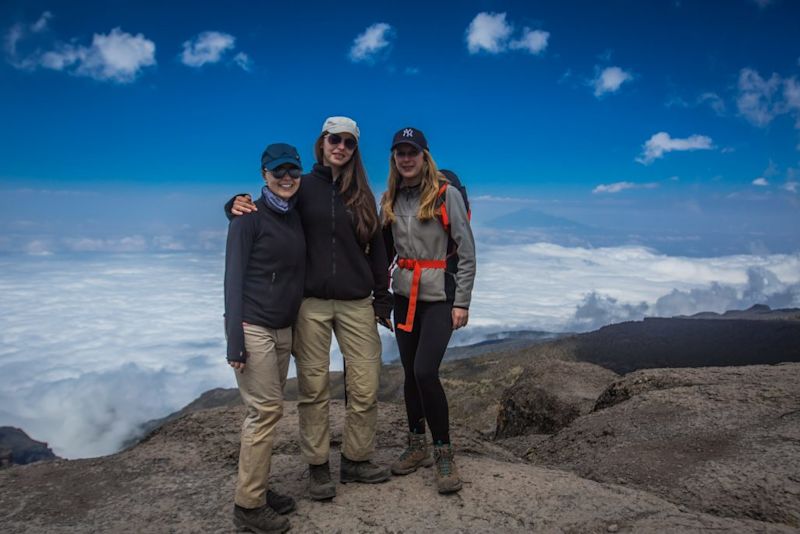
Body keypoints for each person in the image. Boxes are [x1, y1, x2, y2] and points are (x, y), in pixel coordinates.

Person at [228, 117, 393, 501]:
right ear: (322, 143)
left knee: (366, 384)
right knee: (314, 388)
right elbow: (269, 209)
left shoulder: (363, 193)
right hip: (311, 303)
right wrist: (232, 205)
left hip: (356, 302)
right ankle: (318, 466)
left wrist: (382, 296)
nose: (341, 147)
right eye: (334, 139)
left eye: (348, 143)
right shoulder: (301, 185)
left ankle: (356, 459)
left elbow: (378, 246)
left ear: (354, 150)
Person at [379, 127, 476, 494]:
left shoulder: (444, 194)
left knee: (424, 371)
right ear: (394, 158)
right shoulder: (390, 198)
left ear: (424, 156)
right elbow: (382, 251)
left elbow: (466, 252)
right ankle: (416, 443)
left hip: (438, 298)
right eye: (400, 152)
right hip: (404, 296)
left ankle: (443, 452)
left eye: (412, 152)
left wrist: (462, 300)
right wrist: (380, 297)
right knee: (409, 373)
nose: (406, 158)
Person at [225, 143, 305, 533]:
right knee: (266, 411)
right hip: (253, 326)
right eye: (278, 172)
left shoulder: (294, 215)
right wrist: (233, 341)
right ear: (263, 175)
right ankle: (248, 507)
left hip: (283, 328)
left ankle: (257, 487)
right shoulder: (248, 219)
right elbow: (233, 279)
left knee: (267, 414)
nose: (286, 177)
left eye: (292, 171)